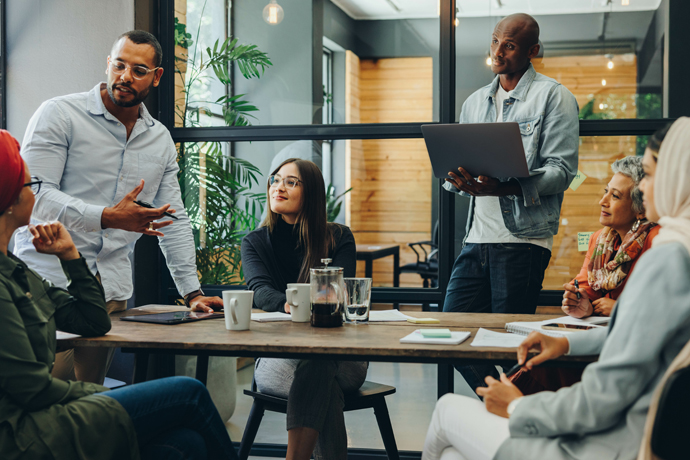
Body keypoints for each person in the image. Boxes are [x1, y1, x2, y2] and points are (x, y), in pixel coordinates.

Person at [421, 120, 690, 460]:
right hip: (625, 437)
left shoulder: (666, 259)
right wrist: (565, 341)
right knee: (452, 457)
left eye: (649, 177)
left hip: (609, 446)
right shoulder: (680, 248)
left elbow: (603, 397)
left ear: (677, 180)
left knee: (446, 410)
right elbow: (639, 339)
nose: (644, 190)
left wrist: (519, 408)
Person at [0, 130, 237, 460]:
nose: (36, 195)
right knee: (189, 393)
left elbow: (94, 322)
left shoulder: (18, 271)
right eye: (30, 186)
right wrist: (102, 394)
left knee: (185, 445)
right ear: (10, 197)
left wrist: (71, 258)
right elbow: (32, 390)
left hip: (46, 415)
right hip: (27, 432)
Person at [13, 30, 222, 385]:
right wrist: (108, 217)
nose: (125, 76)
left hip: (108, 294)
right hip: (46, 284)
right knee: (45, 400)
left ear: (156, 77)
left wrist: (193, 293)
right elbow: (35, 197)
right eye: (119, 65)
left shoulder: (159, 140)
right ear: (108, 63)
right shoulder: (60, 114)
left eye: (138, 70)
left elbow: (174, 217)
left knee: (91, 403)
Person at [441, 13, 579, 391]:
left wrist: (504, 188)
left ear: (532, 50)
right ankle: (507, 404)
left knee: (508, 347)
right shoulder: (474, 102)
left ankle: (518, 413)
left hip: (523, 240)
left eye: (510, 45)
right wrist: (459, 180)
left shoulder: (554, 96)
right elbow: (461, 165)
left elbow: (562, 171)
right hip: (477, 238)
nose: (498, 51)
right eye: (495, 41)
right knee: (449, 333)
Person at [241, 158, 365, 460]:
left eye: (290, 182)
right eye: (275, 180)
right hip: (278, 358)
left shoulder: (338, 237)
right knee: (324, 384)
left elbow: (338, 292)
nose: (278, 187)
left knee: (319, 363)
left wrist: (305, 304)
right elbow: (259, 290)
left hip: (342, 357)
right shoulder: (255, 242)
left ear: (310, 193)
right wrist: (290, 305)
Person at [512, 155, 662, 394]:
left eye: (615, 196)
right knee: (539, 363)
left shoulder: (659, 241)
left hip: (636, 356)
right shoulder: (599, 240)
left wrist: (619, 309)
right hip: (601, 344)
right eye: (606, 191)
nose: (602, 201)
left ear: (640, 209)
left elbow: (663, 315)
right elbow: (586, 292)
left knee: (543, 365)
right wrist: (581, 304)